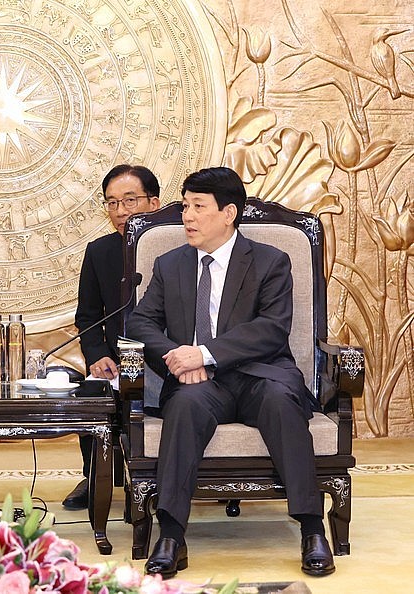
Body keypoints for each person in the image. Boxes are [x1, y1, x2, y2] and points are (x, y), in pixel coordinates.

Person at [125, 166, 335, 578]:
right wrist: (176, 357)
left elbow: (272, 329)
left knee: (281, 403)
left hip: (260, 375)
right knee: (184, 407)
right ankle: (171, 535)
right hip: (199, 385)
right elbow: (140, 322)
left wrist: (203, 354)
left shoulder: (271, 261)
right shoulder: (172, 265)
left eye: (198, 207)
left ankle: (312, 528)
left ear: (229, 213)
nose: (187, 216)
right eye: (185, 205)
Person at [63, 164, 160, 510]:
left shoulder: (180, 246)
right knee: (87, 391)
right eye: (112, 203)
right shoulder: (99, 252)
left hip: (169, 362)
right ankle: (95, 477)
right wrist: (97, 355)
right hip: (118, 363)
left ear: (154, 202)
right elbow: (87, 317)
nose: (120, 212)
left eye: (130, 201)